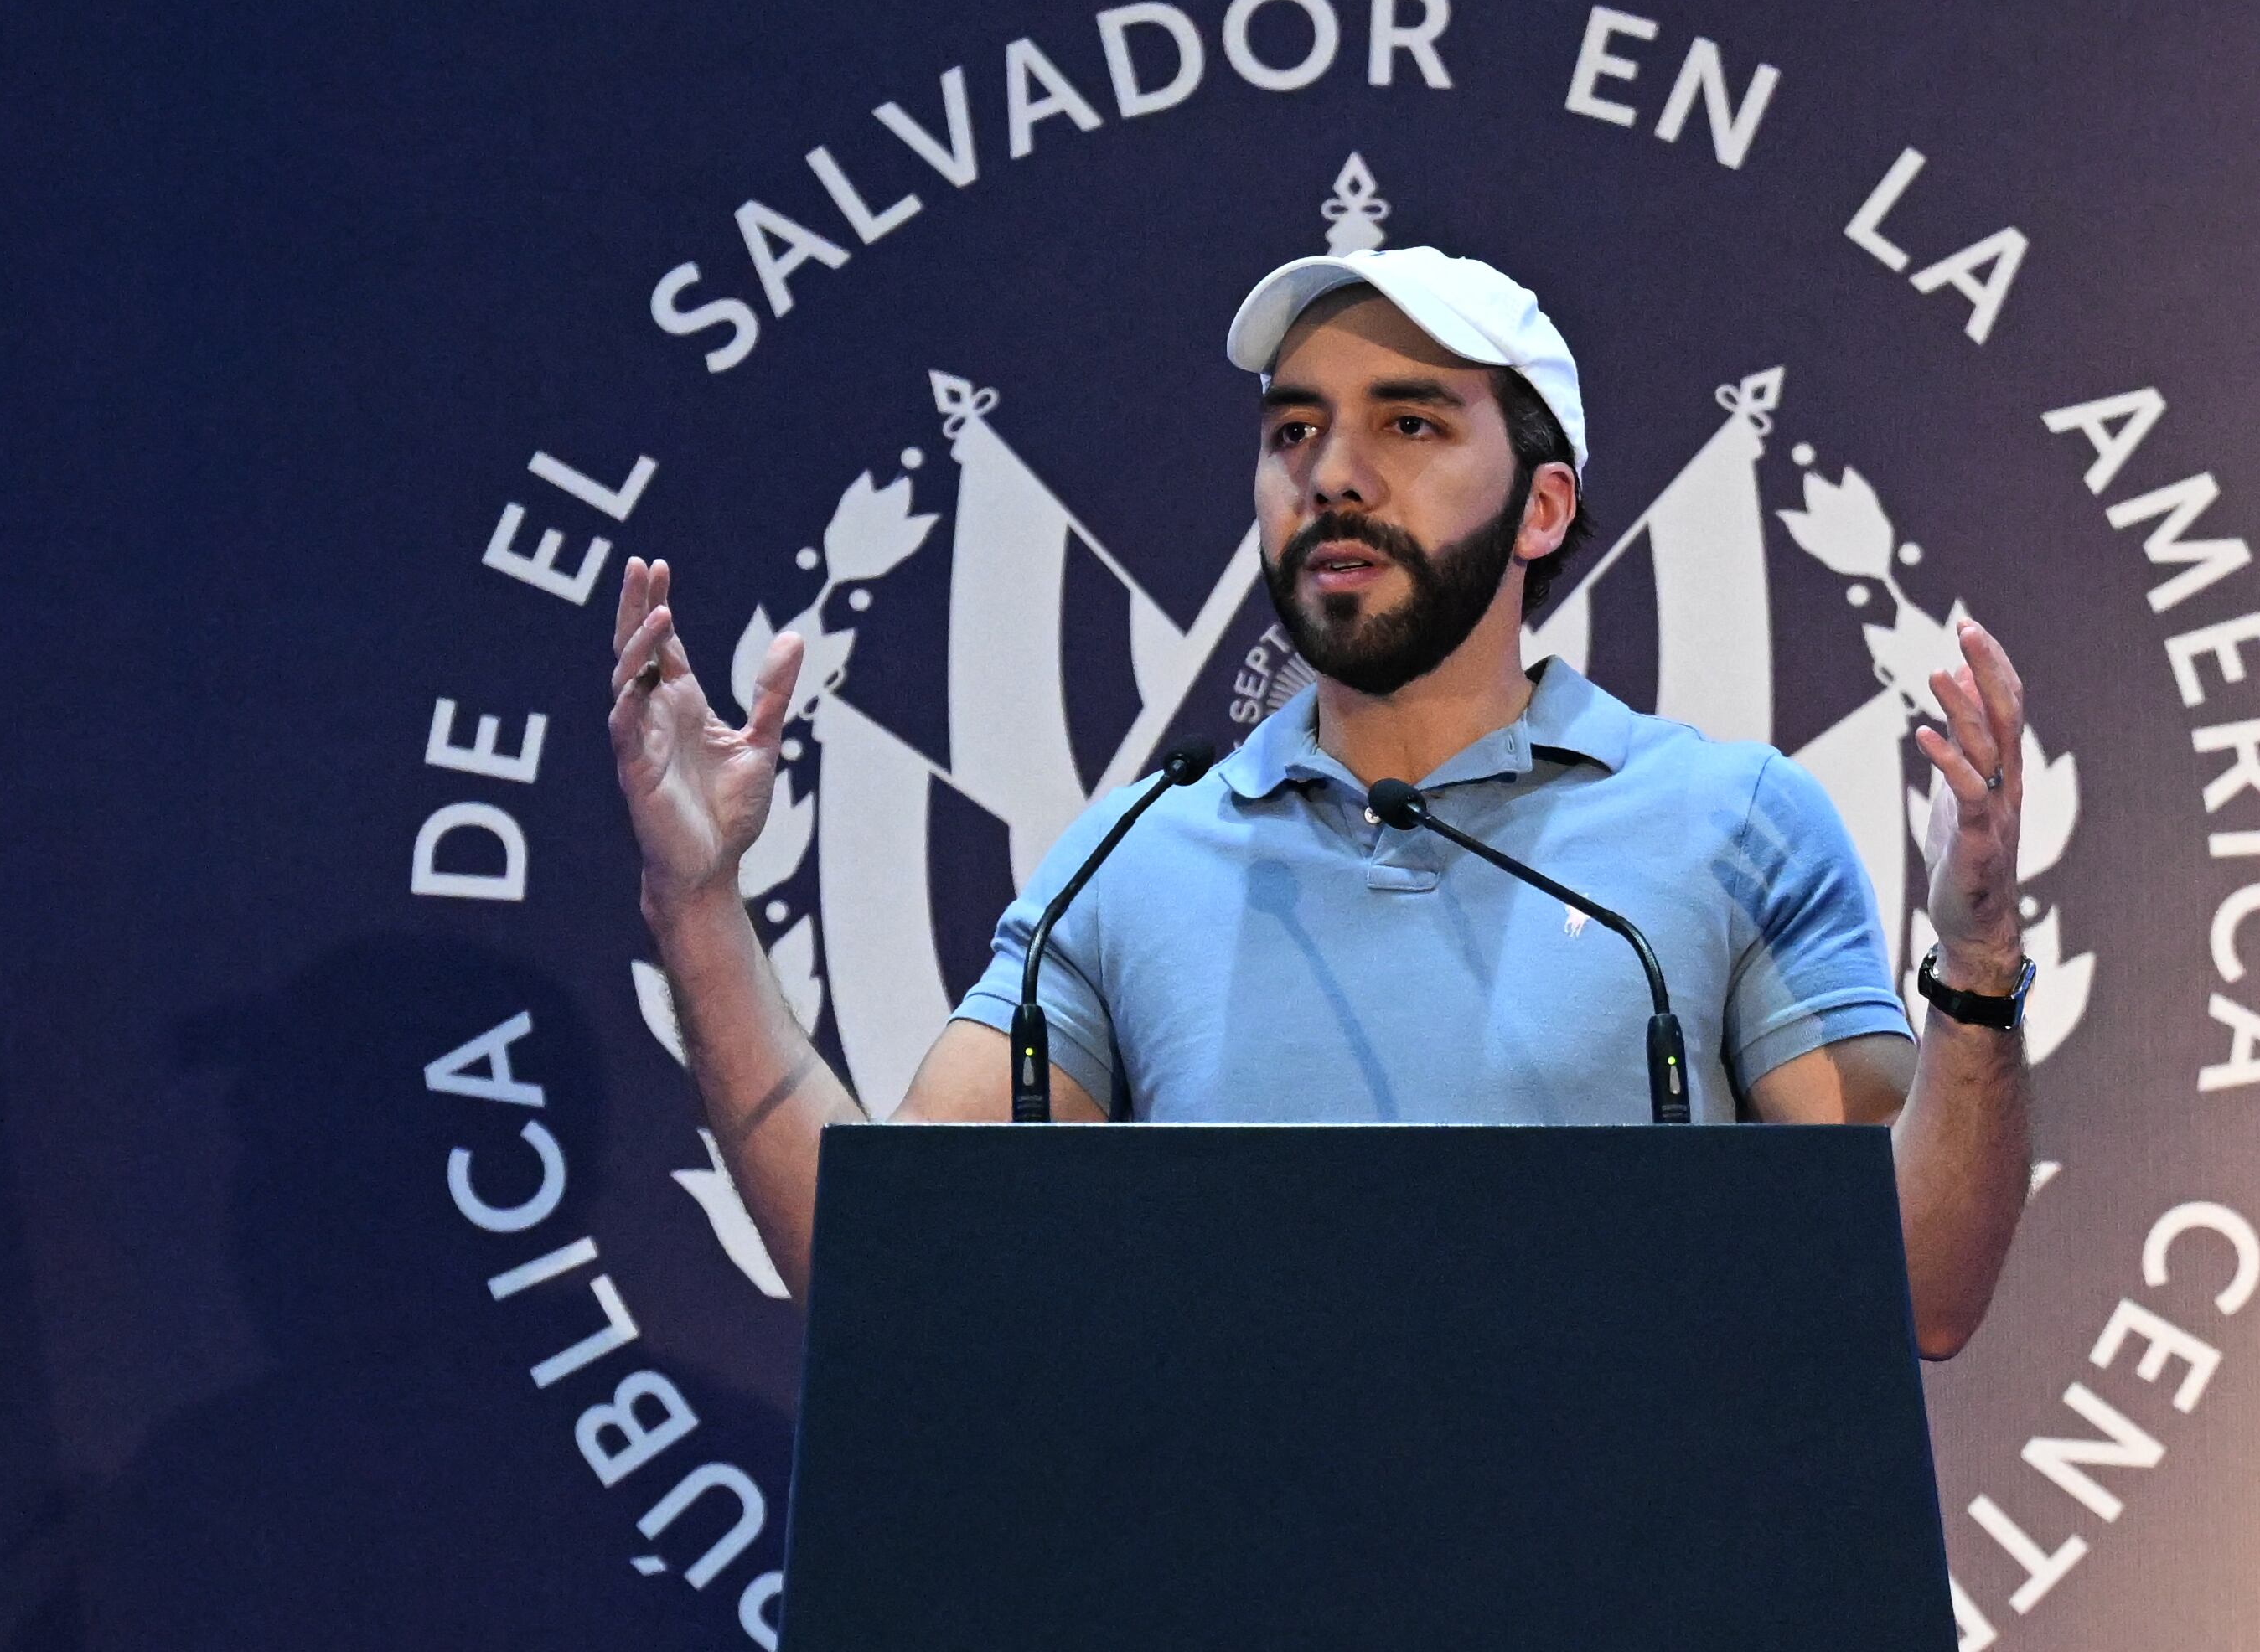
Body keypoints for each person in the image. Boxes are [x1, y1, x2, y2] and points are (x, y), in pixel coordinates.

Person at [608, 247, 2035, 1355]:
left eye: (1408, 425)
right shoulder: (1128, 863)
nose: (1333, 475)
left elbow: (1918, 1294)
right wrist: (700, 905)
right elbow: (881, 1275)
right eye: (1294, 433)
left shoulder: (1730, 823)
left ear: (1542, 509)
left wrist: (1973, 971)